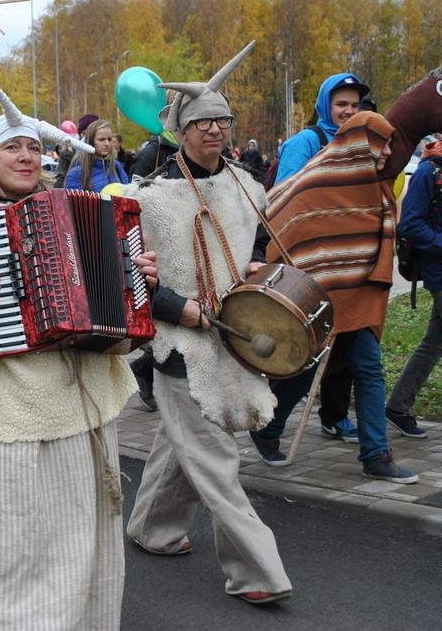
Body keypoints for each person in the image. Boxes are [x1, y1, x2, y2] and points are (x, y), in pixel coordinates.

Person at [0, 85, 157, 629]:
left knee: (73, 530)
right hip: (0, 399)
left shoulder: (80, 209)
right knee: (1, 531)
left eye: (33, 148)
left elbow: (120, 313)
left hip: (77, 394)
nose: (25, 157)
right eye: (11, 147)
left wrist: (139, 281)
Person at [124, 42, 293, 605]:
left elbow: (259, 241)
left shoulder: (247, 184)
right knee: (216, 457)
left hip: (234, 334)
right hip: (180, 341)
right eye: (203, 122)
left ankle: (152, 528)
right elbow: (132, 278)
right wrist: (181, 309)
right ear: (181, 129)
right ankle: (258, 572)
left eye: (222, 120)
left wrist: (257, 264)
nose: (216, 129)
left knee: (185, 445)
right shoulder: (149, 196)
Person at [249, 111, 420, 484]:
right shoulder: (316, 182)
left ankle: (375, 455)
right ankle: (267, 428)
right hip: (320, 297)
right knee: (305, 369)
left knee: (369, 369)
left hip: (361, 297)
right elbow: (284, 221)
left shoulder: (377, 187)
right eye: (382, 144)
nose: (388, 152)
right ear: (360, 143)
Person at [270, 72, 370, 443]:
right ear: (325, 105)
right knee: (309, 349)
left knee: (348, 345)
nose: (348, 111)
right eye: (341, 104)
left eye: (354, 105)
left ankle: (335, 416)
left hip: (347, 261)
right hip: (309, 261)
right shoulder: (306, 142)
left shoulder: (358, 143)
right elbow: (284, 198)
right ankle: (269, 424)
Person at [386, 136, 442, 439]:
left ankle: (398, 407)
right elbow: (410, 224)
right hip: (439, 271)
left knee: (434, 342)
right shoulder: (428, 171)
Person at [64, 118, 129, 191]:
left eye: (109, 139)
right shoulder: (76, 174)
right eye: (101, 139)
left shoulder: (116, 166)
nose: (107, 144)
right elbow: (72, 198)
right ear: (90, 141)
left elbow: (127, 193)